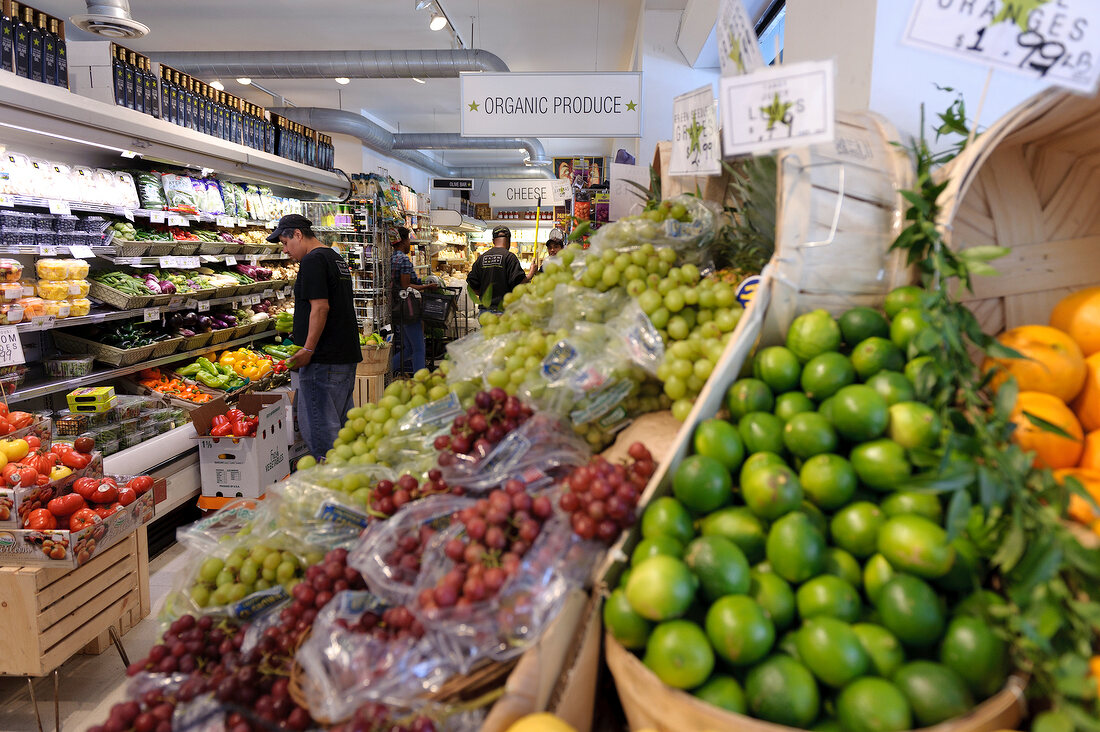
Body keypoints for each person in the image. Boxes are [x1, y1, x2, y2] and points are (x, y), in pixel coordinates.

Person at [270, 214, 361, 461]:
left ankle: (330, 490)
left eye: (286, 243)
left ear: (298, 234)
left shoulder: (312, 261)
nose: (286, 250)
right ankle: (347, 483)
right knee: (342, 433)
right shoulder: (335, 257)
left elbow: (320, 307)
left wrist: (308, 350)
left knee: (323, 437)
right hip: (343, 356)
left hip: (322, 360)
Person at [390, 226, 431, 374]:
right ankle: (421, 380)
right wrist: (428, 286)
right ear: (403, 241)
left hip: (396, 307)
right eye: (408, 240)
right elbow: (406, 286)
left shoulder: (392, 258)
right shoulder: (404, 260)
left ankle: (386, 372)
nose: (410, 244)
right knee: (419, 348)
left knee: (408, 349)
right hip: (409, 309)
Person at [468, 225, 525, 313]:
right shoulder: (510, 257)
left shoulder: (481, 258)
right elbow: (519, 285)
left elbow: (472, 283)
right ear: (509, 240)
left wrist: (486, 295)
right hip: (504, 311)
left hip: (485, 311)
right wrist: (531, 273)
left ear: (493, 241)